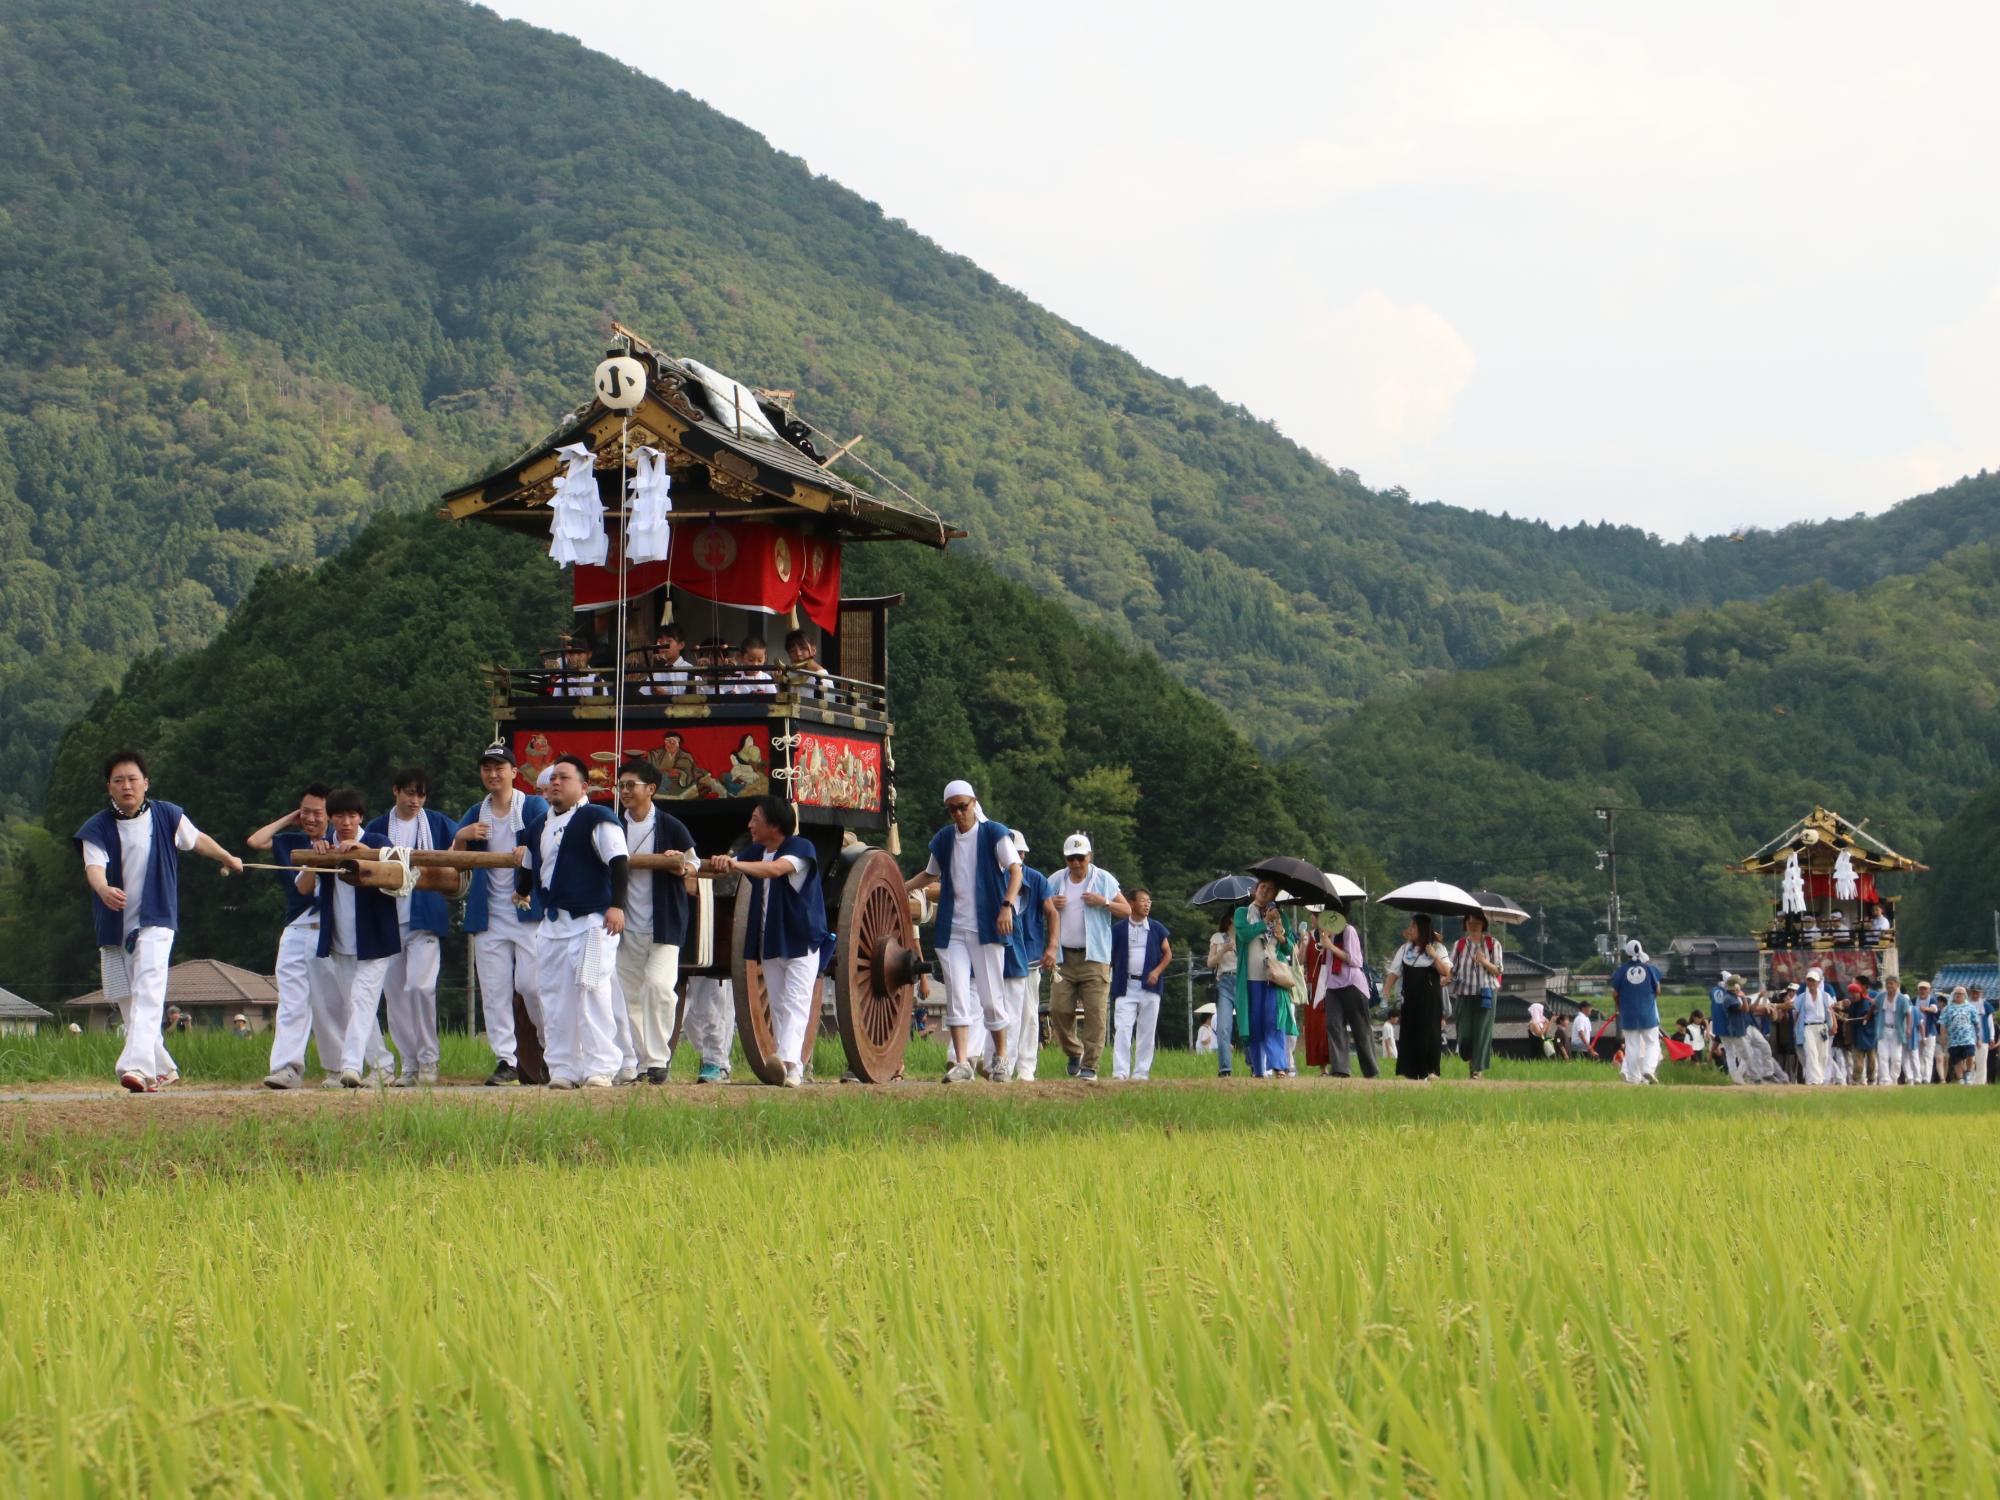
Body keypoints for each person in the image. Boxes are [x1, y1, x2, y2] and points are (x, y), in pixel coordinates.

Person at [76, 751, 244, 1092]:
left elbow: (197, 840)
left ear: (146, 783)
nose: (127, 786)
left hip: (157, 919)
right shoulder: (97, 827)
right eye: (119, 780)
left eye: (133, 779)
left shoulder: (167, 815)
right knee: (128, 1000)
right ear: (109, 786)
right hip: (114, 926)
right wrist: (104, 888)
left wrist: (227, 856)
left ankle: (136, 1067)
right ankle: (163, 1068)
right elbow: (93, 869)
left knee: (149, 988)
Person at [519, 755, 629, 1089]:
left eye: (563, 777)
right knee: (553, 996)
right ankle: (563, 1068)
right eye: (552, 778)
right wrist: (522, 892)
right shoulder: (537, 825)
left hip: (593, 921)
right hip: (553, 925)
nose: (555, 782)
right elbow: (528, 863)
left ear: (583, 786)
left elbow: (619, 861)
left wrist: (617, 906)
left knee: (592, 991)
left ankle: (600, 1067)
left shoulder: (598, 817)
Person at [706, 795, 828, 1088]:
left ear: (774, 825)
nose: (750, 825)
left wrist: (735, 864)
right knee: (779, 1005)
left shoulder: (800, 847)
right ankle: (792, 1065)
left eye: (755, 820)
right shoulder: (757, 851)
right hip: (771, 939)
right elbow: (730, 864)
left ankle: (787, 1064)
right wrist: (704, 861)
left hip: (802, 938)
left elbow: (774, 871)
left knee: (797, 1001)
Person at [906, 780, 1023, 1083]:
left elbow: (1015, 870)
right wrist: (901, 887)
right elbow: (930, 874)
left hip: (986, 927)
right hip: (953, 927)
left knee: (990, 997)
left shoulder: (993, 833)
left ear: (974, 803)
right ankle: (962, 1062)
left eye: (963, 806)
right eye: (952, 809)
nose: (958, 813)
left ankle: (999, 1057)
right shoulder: (945, 839)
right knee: (957, 994)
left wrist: (1007, 905)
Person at [455, 741, 549, 1086]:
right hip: (488, 914)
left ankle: (550, 1050)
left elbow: (552, 841)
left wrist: (530, 848)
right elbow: (453, 857)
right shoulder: (475, 813)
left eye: (499, 768)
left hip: (527, 911)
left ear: (514, 772)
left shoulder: (533, 806)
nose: (493, 774)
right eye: (487, 768)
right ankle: (505, 1059)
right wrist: (463, 836)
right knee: (493, 990)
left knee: (533, 985)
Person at [295, 788, 400, 1088]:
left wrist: (364, 853)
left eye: (351, 816)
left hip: (375, 942)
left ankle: (350, 1067)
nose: (345, 822)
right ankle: (382, 1067)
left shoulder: (377, 842)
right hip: (339, 942)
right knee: (358, 1007)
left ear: (360, 817)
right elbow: (303, 888)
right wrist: (315, 861)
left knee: (362, 1000)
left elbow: (400, 872)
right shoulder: (325, 847)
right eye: (339, 816)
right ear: (330, 818)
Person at [250, 784, 347, 1089]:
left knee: (329, 1003)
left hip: (330, 931)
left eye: (318, 813)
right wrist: (290, 817)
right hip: (296, 927)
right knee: (291, 1001)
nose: (311, 818)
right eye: (306, 811)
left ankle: (337, 1068)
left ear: (330, 816)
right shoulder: (290, 841)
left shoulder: (341, 842)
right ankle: (286, 1067)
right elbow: (256, 840)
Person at [363, 768, 455, 1087]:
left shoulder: (439, 824)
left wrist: (468, 835)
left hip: (424, 918)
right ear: (396, 792)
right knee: (395, 996)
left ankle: (429, 1058)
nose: (415, 799)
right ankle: (410, 1064)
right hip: (387, 920)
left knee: (420, 987)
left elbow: (459, 852)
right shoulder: (375, 829)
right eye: (410, 792)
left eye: (421, 794)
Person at [613, 760, 698, 1085]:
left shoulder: (670, 825)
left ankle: (659, 1059)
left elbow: (693, 863)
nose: (624, 791)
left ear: (650, 789)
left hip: (664, 926)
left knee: (659, 987)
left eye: (630, 785)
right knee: (629, 996)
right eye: (621, 785)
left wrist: (680, 867)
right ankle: (643, 1064)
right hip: (624, 928)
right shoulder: (612, 826)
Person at [1045, 833, 1128, 1080]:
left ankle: (1090, 1066)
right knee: (1058, 1010)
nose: (1076, 863)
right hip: (1064, 958)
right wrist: (1049, 903)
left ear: (1089, 857)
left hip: (1095, 958)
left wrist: (1103, 902)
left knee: (1096, 1014)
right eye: (1071, 858)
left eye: (1080, 858)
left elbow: (1127, 910)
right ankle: (1074, 1051)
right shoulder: (1055, 881)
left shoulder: (1103, 879)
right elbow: (1040, 907)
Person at [988, 830, 1053, 1082]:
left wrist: (1052, 946)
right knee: (998, 1010)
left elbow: (1051, 912)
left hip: (1030, 955)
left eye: (1020, 853)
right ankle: (999, 1063)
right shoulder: (995, 878)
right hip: (999, 952)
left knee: (1028, 1013)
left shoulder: (1036, 880)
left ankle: (1026, 1068)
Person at [1108, 888, 1172, 1081]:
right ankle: (1120, 1073)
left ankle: (1141, 1074)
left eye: (1149, 901)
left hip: (1150, 987)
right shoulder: (1118, 929)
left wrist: (1157, 971)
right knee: (1123, 1029)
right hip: (1125, 985)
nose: (1147, 904)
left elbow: (1168, 954)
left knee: (1147, 1032)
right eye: (1143, 901)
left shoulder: (1156, 928)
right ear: (1131, 903)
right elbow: (1109, 955)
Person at [1381, 916, 1449, 1080]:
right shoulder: (1405, 949)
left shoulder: (1437, 948)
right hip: (1410, 998)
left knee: (1430, 1033)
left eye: (1414, 926)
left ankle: (1431, 1070)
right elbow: (1395, 972)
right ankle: (1410, 1071)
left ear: (1423, 929)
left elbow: (1445, 971)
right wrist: (1386, 990)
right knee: (1411, 1032)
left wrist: (1434, 956)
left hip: (1430, 999)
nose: (1410, 929)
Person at [1316, 907, 1379, 1079]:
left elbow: (1356, 960)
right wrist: (1325, 942)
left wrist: (1331, 947)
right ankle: (1340, 1070)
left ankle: (1370, 1071)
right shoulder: (1326, 934)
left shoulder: (1348, 931)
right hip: (1333, 986)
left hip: (1352, 984)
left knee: (1360, 1029)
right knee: (1333, 1025)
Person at [1449, 913, 1503, 1080]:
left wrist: (1484, 961)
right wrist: (1446, 977)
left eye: (1477, 921)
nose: (1473, 924)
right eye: (1469, 921)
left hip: (1485, 994)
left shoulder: (1492, 944)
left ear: (1483, 924)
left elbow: (1498, 970)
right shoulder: (1459, 945)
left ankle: (1477, 1070)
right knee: (1464, 1034)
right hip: (1464, 994)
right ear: (1465, 924)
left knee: (1481, 1032)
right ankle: (1472, 1062)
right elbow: (1452, 969)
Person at [1609, 939, 1664, 1085]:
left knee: (1631, 1045)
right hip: (1648, 1013)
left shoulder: (1621, 971)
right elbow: (1658, 989)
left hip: (1628, 1014)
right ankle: (1649, 1070)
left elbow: (1614, 993)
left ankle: (1633, 1078)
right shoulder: (1650, 969)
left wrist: (1619, 1005)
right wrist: (1650, 997)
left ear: (1626, 953)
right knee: (1652, 1043)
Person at [1206, 913, 1237, 1077]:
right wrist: (1223, 950)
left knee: (1246, 1026)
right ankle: (1225, 1069)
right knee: (1224, 1027)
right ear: (1231, 918)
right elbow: (1210, 962)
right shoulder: (1218, 937)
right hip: (1224, 981)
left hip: (1243, 981)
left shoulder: (1245, 936)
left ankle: (1255, 1064)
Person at [1794, 967, 1836, 1085]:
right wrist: (1796, 1030)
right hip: (1807, 1027)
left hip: (1822, 1027)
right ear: (1806, 982)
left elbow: (1831, 1011)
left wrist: (1833, 1026)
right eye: (1809, 980)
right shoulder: (1802, 997)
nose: (1811, 983)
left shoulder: (1826, 996)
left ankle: (1820, 1078)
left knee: (1823, 1055)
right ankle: (1813, 1080)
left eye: (1813, 981)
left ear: (1818, 982)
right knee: (1811, 1052)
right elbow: (1797, 1013)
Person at [638, 622, 694, 698]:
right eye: (660, 642)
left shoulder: (691, 670)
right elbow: (643, 699)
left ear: (681, 645)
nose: (664, 645)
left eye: (669, 641)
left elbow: (697, 702)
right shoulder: (655, 673)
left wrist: (664, 696)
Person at [1941, 986, 1982, 1083]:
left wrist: (1978, 1038)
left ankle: (1968, 1073)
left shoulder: (1970, 1007)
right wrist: (1943, 1037)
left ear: (1965, 996)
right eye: (1957, 994)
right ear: (1953, 995)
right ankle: (1960, 1079)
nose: (1959, 995)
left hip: (1968, 1038)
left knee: (1970, 1055)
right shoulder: (1947, 1009)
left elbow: (1977, 1024)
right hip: (1953, 1039)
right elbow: (1943, 1024)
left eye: (1961, 994)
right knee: (1956, 1059)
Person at [784, 627, 832, 701]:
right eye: (792, 651)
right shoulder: (790, 674)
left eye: (803, 648)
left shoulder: (823, 677)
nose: (798, 654)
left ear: (813, 650)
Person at [1876, 974, 1905, 1086]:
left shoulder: (1902, 999)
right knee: (1883, 1055)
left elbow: (1908, 1014)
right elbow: (1873, 1005)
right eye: (1887, 983)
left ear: (1897, 985)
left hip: (1896, 1031)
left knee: (1896, 1057)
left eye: (1891, 983)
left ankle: (1894, 1078)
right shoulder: (1881, 997)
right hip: (1883, 1029)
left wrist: (1907, 1028)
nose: (1889, 985)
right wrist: (1868, 1016)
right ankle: (1885, 1079)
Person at [1911, 980, 1941, 1083]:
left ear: (1929, 990)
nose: (1923, 991)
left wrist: (1926, 1009)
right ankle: (1918, 1077)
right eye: (1921, 988)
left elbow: (1935, 1009)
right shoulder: (1914, 1000)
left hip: (1930, 1032)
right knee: (1917, 1055)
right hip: (1916, 1031)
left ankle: (1926, 1078)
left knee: (1928, 1055)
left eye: (1925, 989)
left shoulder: (1932, 1000)